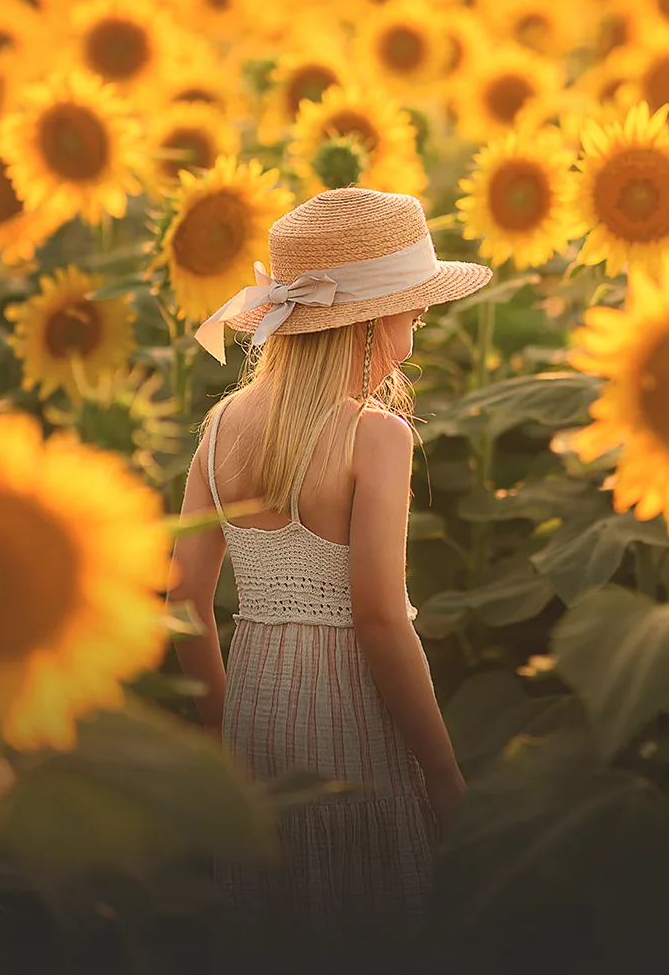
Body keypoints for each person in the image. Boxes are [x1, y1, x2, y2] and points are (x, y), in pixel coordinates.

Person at [166, 187, 492, 968]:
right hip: (344, 704)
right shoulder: (375, 435)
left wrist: (218, 728)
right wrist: (444, 773)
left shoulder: (222, 426)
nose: (421, 319)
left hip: (255, 701)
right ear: (373, 317)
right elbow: (380, 619)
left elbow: (182, 600)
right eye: (413, 305)